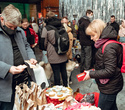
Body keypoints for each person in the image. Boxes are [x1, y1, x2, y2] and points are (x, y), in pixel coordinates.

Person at [0, 4, 37, 110]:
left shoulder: (20, 32)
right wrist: (8, 69)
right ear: (2, 19)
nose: (12, 30)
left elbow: (27, 46)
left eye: (15, 27)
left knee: (27, 106)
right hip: (5, 84)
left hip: (24, 78)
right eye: (10, 27)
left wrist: (31, 57)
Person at [84, 19, 123, 110]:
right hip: (111, 85)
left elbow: (109, 71)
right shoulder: (107, 44)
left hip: (110, 87)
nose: (91, 38)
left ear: (99, 32)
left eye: (93, 35)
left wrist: (91, 74)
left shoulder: (108, 47)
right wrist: (93, 71)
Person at [41, 11, 68, 87]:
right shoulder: (61, 25)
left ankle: (58, 90)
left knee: (56, 72)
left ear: (47, 18)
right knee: (63, 71)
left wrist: (46, 49)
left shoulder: (46, 28)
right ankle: (66, 87)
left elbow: (43, 42)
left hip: (53, 54)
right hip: (63, 52)